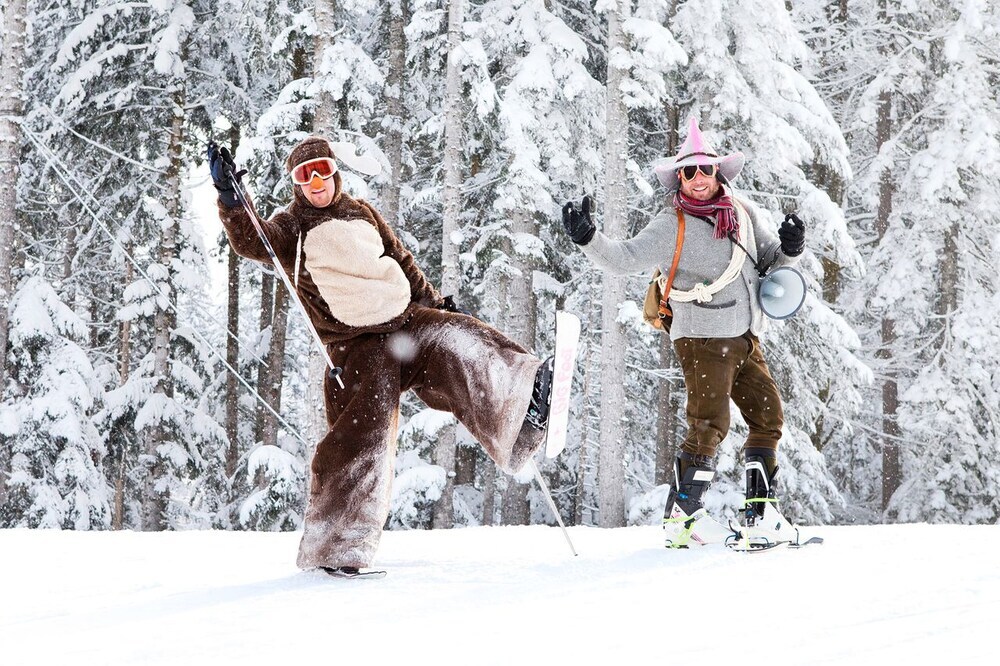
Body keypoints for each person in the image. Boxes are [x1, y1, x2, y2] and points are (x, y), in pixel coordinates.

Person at [209, 136, 555, 575]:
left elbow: (402, 262)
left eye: (321, 170)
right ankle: (336, 548)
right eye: (304, 175)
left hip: (406, 322)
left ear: (334, 172)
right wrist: (231, 198)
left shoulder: (363, 213)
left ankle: (524, 409)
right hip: (356, 345)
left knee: (461, 339)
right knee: (362, 438)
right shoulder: (291, 227)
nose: (316, 182)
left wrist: (437, 305)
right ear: (296, 184)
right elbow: (252, 240)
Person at [561, 118, 806, 548]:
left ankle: (761, 514)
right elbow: (622, 258)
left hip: (747, 335)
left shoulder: (741, 212)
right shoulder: (670, 224)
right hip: (701, 339)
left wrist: (792, 247)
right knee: (709, 425)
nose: (697, 178)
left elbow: (771, 260)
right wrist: (587, 238)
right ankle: (683, 521)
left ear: (717, 172)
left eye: (704, 169)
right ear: (679, 178)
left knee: (768, 416)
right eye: (688, 171)